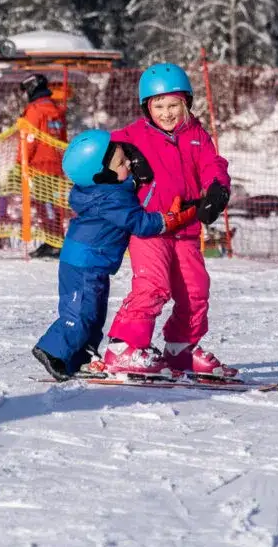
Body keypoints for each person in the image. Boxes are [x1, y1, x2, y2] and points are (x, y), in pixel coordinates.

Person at [102, 62, 235, 377]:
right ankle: (124, 347)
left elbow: (213, 165)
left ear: (186, 102)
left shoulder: (196, 134)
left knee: (196, 290)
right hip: (151, 227)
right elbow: (99, 150)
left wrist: (218, 190)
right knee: (153, 285)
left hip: (186, 228)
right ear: (146, 108)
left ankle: (181, 348)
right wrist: (107, 164)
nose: (167, 112)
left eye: (173, 104)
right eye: (158, 105)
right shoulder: (133, 135)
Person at [32, 130, 197, 381]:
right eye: (121, 163)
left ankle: (81, 356)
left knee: (95, 313)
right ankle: (52, 350)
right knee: (80, 313)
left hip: (90, 261)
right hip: (85, 262)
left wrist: (132, 177)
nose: (129, 163)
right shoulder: (109, 198)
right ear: (102, 175)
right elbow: (140, 223)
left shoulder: (101, 190)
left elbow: (122, 192)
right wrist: (169, 220)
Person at [17, 72, 68, 259]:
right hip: (57, 164)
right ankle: (56, 241)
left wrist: (20, 163)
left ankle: (53, 243)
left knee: (42, 205)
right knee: (54, 206)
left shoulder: (35, 110)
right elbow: (62, 139)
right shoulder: (57, 110)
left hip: (39, 165)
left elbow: (28, 140)